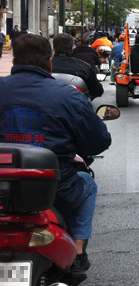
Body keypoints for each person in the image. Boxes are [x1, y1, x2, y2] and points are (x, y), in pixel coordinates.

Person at [0, 34, 112, 273]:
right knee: (88, 184)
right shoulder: (69, 95)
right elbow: (98, 142)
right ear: (49, 63)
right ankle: (79, 252)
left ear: (14, 60)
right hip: (54, 187)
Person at [51, 33, 104, 100]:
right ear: (71, 48)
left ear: (53, 48)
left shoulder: (43, 66)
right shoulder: (85, 67)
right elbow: (98, 91)